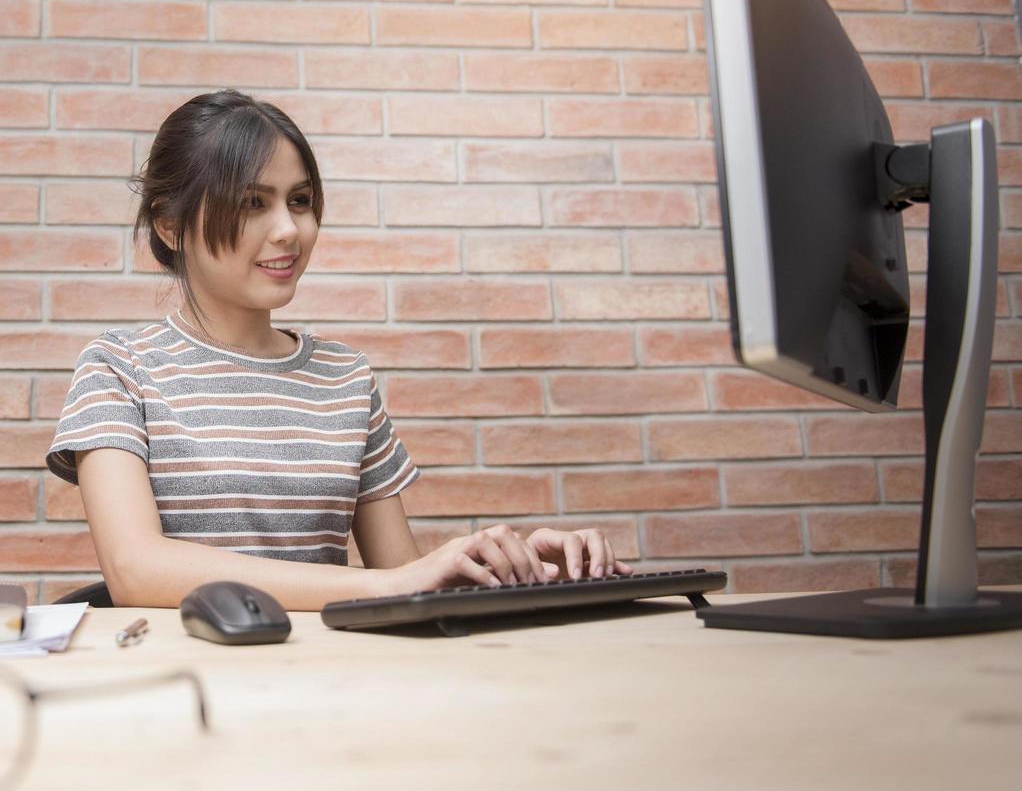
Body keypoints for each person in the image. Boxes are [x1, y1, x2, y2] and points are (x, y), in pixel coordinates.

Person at [46, 89, 632, 610]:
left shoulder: (345, 376)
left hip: (333, 683)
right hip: (186, 688)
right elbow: (134, 571)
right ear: (171, 228)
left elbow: (402, 580)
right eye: (253, 203)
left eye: (299, 200)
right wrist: (387, 585)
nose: (288, 231)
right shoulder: (119, 368)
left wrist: (518, 570)